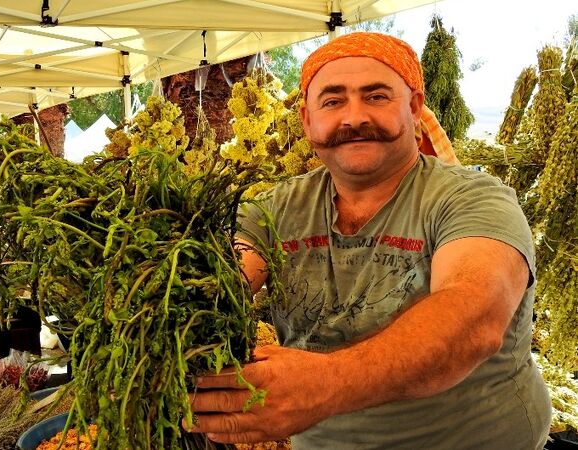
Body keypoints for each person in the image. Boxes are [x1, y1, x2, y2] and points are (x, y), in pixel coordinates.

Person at [187, 32, 550, 449]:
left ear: (413, 109)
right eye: (333, 100)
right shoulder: (275, 208)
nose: (353, 117)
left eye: (376, 97)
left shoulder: (473, 198)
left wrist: (325, 383)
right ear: (307, 119)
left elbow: (473, 319)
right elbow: (222, 282)